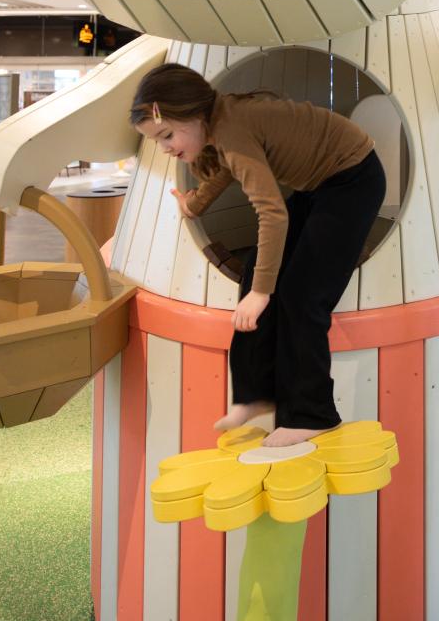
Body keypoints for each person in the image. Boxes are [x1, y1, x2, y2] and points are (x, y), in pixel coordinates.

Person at [129, 62, 386, 448]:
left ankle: (313, 415)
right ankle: (255, 394)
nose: (165, 148)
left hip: (353, 179)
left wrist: (262, 294)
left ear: (194, 114)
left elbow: (272, 213)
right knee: (255, 270)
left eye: (166, 135)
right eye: (156, 141)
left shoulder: (232, 129)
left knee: (301, 296)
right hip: (321, 183)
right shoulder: (222, 123)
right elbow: (227, 168)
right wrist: (194, 204)